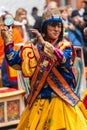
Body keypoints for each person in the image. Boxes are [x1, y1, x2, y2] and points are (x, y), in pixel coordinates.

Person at [1, 8, 87, 130]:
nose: (56, 29)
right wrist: (8, 43)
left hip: (62, 102)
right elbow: (15, 63)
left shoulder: (65, 46)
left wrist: (44, 44)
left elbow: (64, 60)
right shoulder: (32, 47)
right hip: (39, 104)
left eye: (58, 26)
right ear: (44, 27)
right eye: (52, 26)